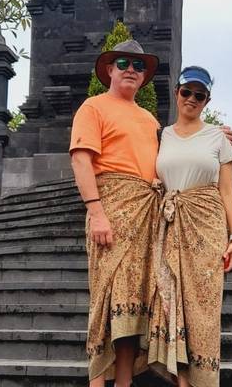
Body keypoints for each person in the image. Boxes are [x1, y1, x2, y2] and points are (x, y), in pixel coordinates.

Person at [70, 39, 163, 387]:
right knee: (106, 303)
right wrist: (95, 211)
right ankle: (97, 382)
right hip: (110, 209)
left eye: (139, 66)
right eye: (124, 62)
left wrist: (216, 137)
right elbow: (81, 159)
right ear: (109, 69)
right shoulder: (93, 107)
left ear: (144, 77)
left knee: (133, 309)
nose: (131, 70)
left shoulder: (149, 118)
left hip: (145, 215)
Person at [147, 66, 232, 387]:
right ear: (176, 93)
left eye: (199, 95)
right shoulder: (161, 136)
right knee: (169, 304)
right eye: (186, 92)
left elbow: (227, 190)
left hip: (207, 228)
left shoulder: (218, 137)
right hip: (169, 227)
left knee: (201, 311)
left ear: (207, 100)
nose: (192, 99)